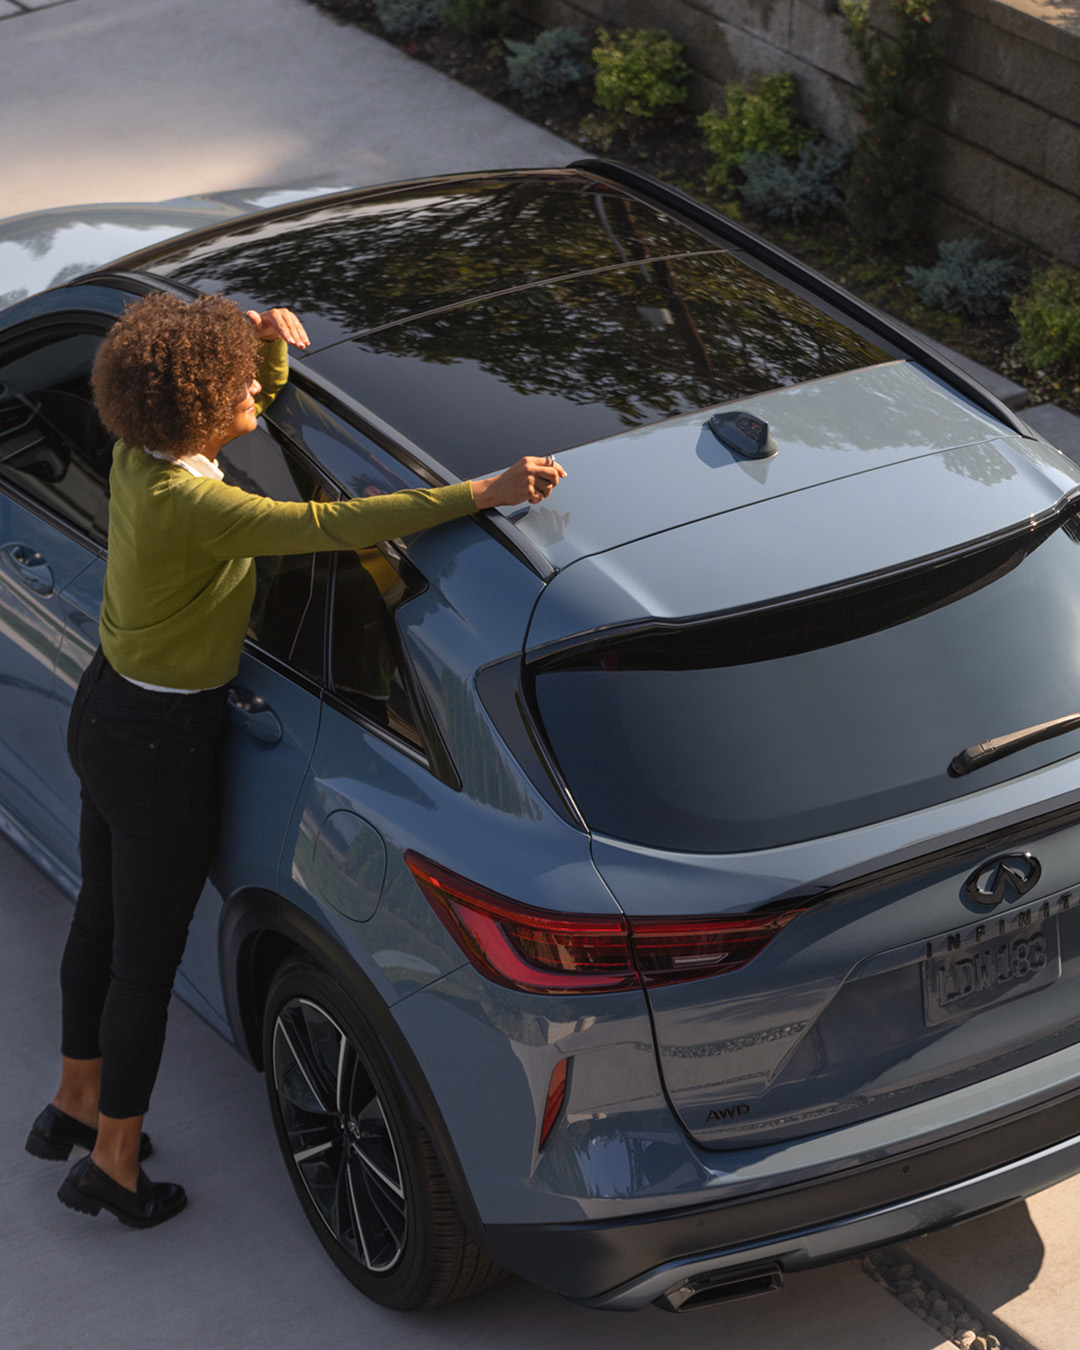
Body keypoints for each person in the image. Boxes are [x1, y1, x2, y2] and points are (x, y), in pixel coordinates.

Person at [24, 292, 565, 1229]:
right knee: (144, 965)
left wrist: (262, 354)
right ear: (193, 406)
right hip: (162, 747)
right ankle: (113, 1161)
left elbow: (244, 417)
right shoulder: (204, 506)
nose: (249, 390)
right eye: (232, 381)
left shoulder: (137, 458)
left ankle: (73, 1103)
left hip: (107, 711)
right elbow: (335, 527)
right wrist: (483, 492)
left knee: (101, 919)